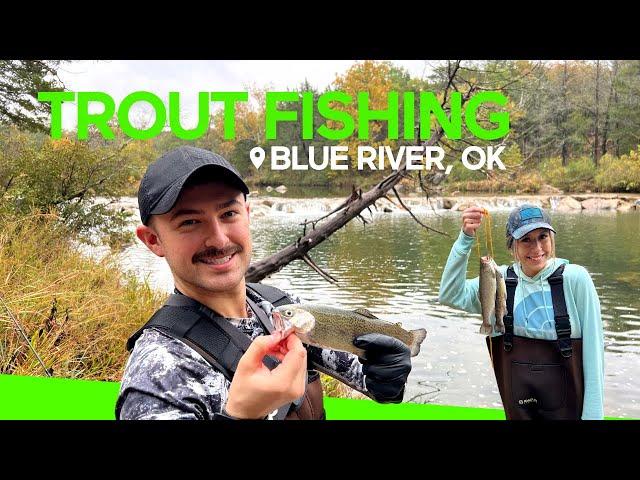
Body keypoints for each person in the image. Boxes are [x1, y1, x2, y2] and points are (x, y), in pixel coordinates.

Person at [116, 146, 412, 420]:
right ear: (153, 240)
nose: (219, 239)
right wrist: (242, 415)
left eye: (228, 213)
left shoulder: (279, 307)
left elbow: (369, 378)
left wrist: (388, 376)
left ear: (247, 214)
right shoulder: (157, 375)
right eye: (190, 222)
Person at [438, 204, 604, 420]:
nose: (536, 248)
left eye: (542, 236)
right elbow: (450, 293)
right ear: (511, 246)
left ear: (552, 238)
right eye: (525, 239)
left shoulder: (575, 279)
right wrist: (465, 239)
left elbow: (594, 355)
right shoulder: (497, 281)